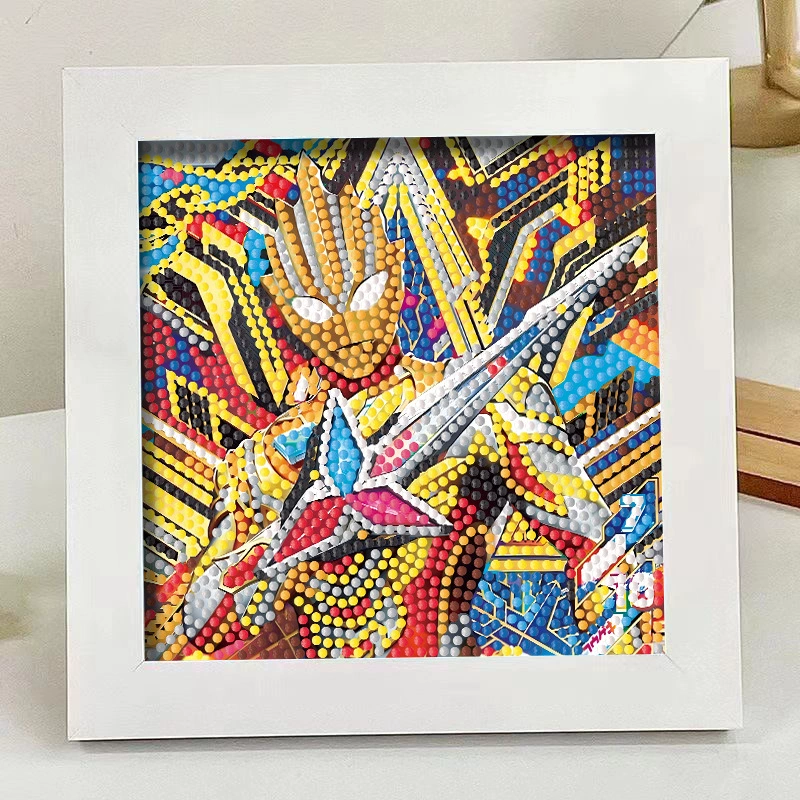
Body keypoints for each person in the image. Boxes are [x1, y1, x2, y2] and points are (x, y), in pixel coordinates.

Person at [176, 155, 610, 660]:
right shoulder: (261, 462)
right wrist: (284, 534)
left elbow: (591, 545)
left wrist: (608, 582)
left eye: (366, 293)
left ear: (396, 272)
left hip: (443, 668)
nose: (345, 326)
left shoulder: (491, 399)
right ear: (285, 311)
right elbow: (203, 622)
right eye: (314, 309)